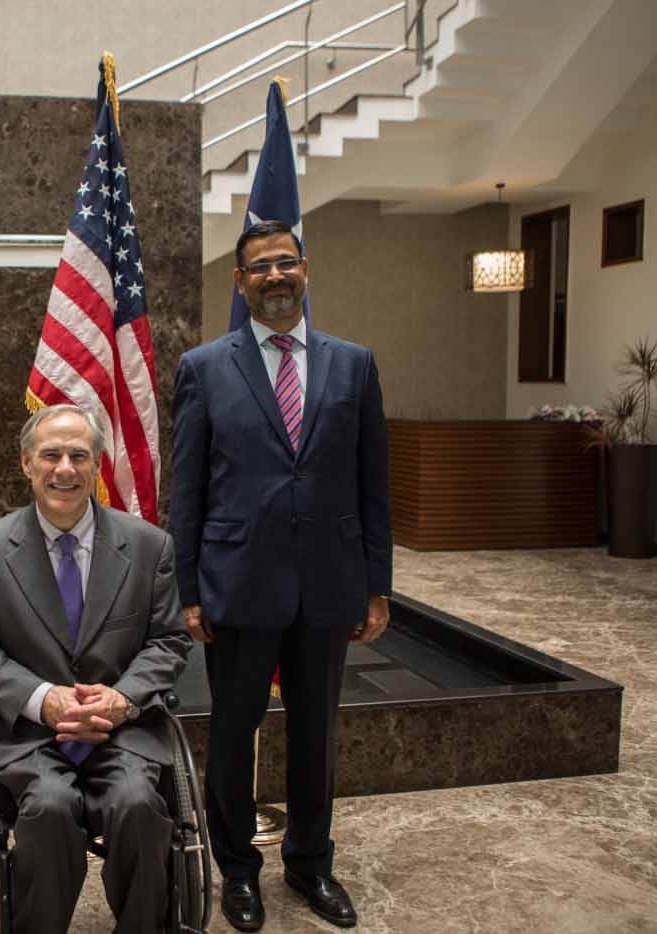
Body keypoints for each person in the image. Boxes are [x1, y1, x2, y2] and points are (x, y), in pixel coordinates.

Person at [170, 220, 392, 931]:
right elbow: (188, 492)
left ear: (306, 271)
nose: (274, 275)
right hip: (237, 583)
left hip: (329, 583)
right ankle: (238, 871)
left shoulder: (354, 365)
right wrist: (188, 589)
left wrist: (375, 582)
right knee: (234, 735)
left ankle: (310, 865)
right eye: (259, 267)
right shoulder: (204, 367)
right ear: (239, 282)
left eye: (285, 263)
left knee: (316, 735)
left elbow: (372, 482)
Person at [0, 404, 192, 934]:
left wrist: (123, 699)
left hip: (122, 731)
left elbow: (170, 640)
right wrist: (41, 698)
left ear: (97, 464)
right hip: (31, 735)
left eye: (79, 455)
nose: (65, 468)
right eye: (51, 455)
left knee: (138, 807)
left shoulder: (150, 547)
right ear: (26, 464)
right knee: (49, 811)